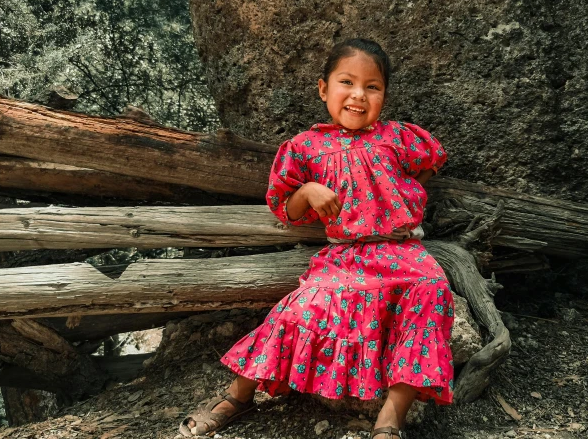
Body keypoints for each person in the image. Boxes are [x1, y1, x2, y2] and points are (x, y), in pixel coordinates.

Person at [178, 38, 454, 439]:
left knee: (433, 290)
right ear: (324, 88)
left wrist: (407, 191)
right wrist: (306, 191)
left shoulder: (397, 136)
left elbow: (432, 159)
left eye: (372, 87)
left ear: (384, 95)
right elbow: (284, 208)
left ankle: (390, 421)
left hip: (402, 251)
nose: (358, 95)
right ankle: (237, 396)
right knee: (302, 308)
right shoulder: (306, 147)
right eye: (346, 82)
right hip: (345, 257)